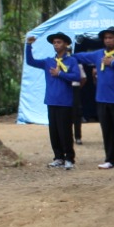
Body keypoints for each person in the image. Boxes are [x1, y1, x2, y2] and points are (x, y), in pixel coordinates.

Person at [74, 26, 114, 172]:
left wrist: (113, 63)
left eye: (111, 37)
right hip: (102, 99)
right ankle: (110, 160)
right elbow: (80, 56)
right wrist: (66, 52)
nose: (108, 40)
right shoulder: (98, 54)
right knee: (107, 131)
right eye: (105, 38)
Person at [25, 33, 79, 169]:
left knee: (65, 131)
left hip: (65, 101)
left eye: (59, 42)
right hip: (51, 100)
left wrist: (60, 73)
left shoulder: (71, 61)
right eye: (54, 42)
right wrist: (28, 45)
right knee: (54, 131)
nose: (56, 44)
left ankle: (69, 158)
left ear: (66, 44)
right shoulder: (49, 61)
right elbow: (30, 61)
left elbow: (77, 77)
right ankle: (58, 157)